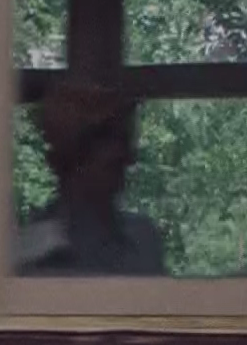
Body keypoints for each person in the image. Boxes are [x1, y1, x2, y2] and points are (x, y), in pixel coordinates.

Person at [18, 81, 166, 276]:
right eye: (112, 137)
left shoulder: (144, 241)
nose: (129, 157)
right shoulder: (31, 255)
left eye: (125, 139)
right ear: (74, 155)